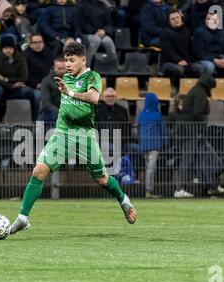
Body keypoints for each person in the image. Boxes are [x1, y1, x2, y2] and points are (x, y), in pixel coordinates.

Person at [8, 42, 137, 235]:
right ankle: (23, 218)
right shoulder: (65, 77)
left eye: (72, 60)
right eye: (66, 60)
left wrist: (70, 93)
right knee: (39, 170)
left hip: (84, 135)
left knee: (102, 179)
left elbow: (94, 98)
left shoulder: (93, 76)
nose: (68, 64)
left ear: (83, 60)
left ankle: (124, 201)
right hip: (62, 133)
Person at [172, 74, 216, 198]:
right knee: (187, 159)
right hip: (190, 131)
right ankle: (180, 188)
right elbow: (197, 113)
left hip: (187, 130)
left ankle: (203, 183)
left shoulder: (195, 91)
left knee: (192, 158)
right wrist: (205, 118)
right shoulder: (200, 93)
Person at [0, 35, 37, 121]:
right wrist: (11, 85)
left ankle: (32, 120)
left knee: (28, 91)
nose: (8, 50)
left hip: (14, 88)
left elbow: (23, 78)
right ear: (1, 49)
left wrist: (7, 79)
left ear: (14, 48)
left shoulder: (20, 58)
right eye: (5, 48)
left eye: (10, 48)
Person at [131, 93, 167, 198]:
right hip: (155, 146)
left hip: (144, 146)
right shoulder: (157, 115)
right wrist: (165, 143)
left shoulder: (141, 116)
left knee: (148, 167)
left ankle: (149, 190)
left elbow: (138, 131)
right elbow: (163, 131)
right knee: (151, 168)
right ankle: (149, 190)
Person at [160, 9, 204, 86]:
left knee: (200, 68)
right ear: (169, 22)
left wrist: (189, 61)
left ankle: (194, 88)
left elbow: (190, 49)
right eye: (173, 19)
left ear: (181, 18)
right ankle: (174, 87)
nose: (176, 20)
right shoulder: (165, 33)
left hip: (186, 61)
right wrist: (178, 60)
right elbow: (168, 51)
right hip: (169, 62)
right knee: (179, 69)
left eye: (177, 17)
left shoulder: (187, 30)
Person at [39, 57, 67, 122]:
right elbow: (46, 103)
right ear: (54, 68)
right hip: (50, 111)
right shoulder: (46, 81)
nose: (62, 71)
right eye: (59, 69)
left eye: (64, 68)